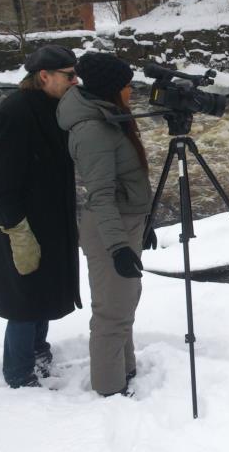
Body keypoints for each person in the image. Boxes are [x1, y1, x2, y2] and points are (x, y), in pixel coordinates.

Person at [0, 44, 82, 389]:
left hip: (49, 219)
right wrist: (16, 230)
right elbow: (2, 180)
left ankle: (39, 352)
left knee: (43, 290)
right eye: (69, 75)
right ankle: (18, 373)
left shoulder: (55, 106)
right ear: (44, 76)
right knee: (24, 299)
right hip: (20, 223)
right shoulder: (15, 113)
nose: (75, 80)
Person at [57, 52, 155, 397]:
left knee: (123, 304)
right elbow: (100, 195)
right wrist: (118, 248)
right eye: (128, 87)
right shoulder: (93, 130)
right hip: (108, 230)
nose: (132, 92)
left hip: (123, 222)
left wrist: (145, 220)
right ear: (111, 90)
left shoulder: (107, 115)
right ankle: (110, 392)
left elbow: (122, 183)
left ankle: (124, 372)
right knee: (111, 315)